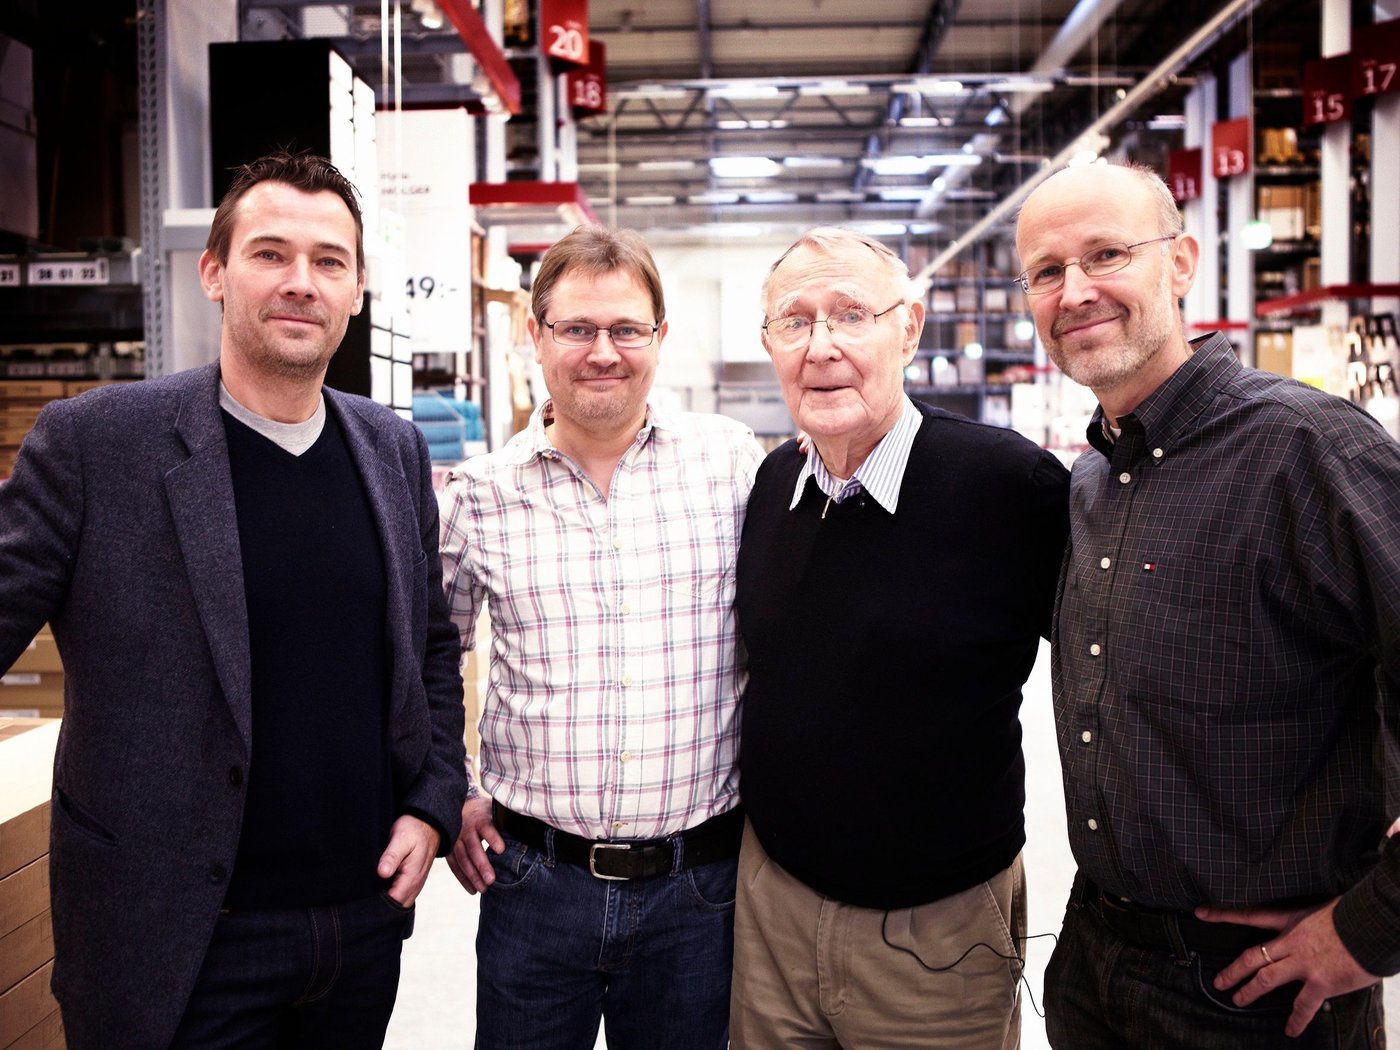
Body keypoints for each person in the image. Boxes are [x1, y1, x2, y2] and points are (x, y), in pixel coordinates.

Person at [0, 151, 468, 1050]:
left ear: (359, 290)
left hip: (356, 925)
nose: (301, 282)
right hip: (175, 936)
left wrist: (432, 800)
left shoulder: (389, 450)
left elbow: (430, 648)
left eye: (329, 261)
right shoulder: (99, 445)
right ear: (214, 273)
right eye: (270, 253)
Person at [1015, 161, 1400, 1048]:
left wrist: (1372, 931)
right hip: (1093, 960)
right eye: (1046, 271)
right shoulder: (1087, 483)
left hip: (1256, 992)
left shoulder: (1311, 451)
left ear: (1181, 263)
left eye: (1106, 254)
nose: (1075, 291)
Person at [729, 227, 1071, 1049]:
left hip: (937, 934)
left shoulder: (1007, 487)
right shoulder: (775, 484)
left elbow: (1122, 670)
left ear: (909, 330)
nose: (822, 347)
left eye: (850, 315)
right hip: (771, 911)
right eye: (794, 321)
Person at [439, 224, 765, 1049]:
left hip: (700, 891)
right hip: (533, 884)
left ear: (661, 337)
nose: (602, 352)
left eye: (625, 329)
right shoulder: (480, 495)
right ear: (535, 335)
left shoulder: (731, 464)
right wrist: (451, 788)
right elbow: (434, 658)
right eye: (577, 329)